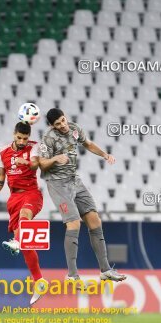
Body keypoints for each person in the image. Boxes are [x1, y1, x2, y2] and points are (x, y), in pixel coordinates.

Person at [38, 108, 126, 283]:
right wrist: (55, 159)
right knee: (74, 222)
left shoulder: (74, 128)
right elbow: (41, 164)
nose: (62, 125)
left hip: (74, 180)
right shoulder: (48, 138)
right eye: (58, 124)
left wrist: (104, 155)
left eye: (63, 120)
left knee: (95, 220)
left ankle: (105, 270)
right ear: (52, 126)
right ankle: (72, 274)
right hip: (57, 184)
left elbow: (88, 144)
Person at [0, 122, 47, 305]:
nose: (21, 141)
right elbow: (0, 178)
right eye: (19, 137)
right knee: (26, 243)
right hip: (14, 198)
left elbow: (35, 165)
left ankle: (17, 242)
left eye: (25, 138)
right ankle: (39, 281)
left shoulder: (34, 147)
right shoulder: (2, 152)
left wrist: (25, 161)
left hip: (32, 194)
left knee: (25, 216)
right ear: (14, 134)